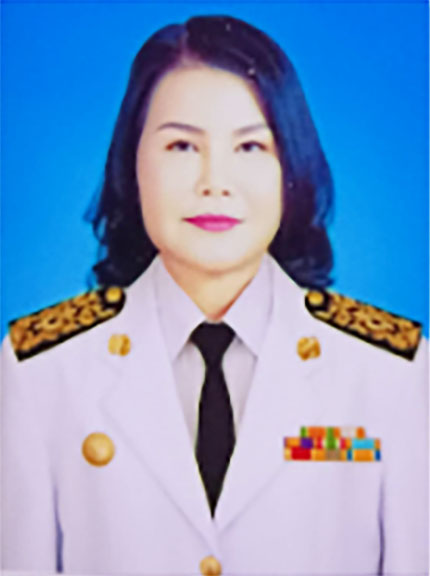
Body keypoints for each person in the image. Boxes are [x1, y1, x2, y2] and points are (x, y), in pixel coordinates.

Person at [2, 14, 427, 576]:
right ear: (132, 163)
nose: (214, 182)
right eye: (182, 145)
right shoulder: (41, 372)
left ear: (291, 165)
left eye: (250, 146)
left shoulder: (390, 374)